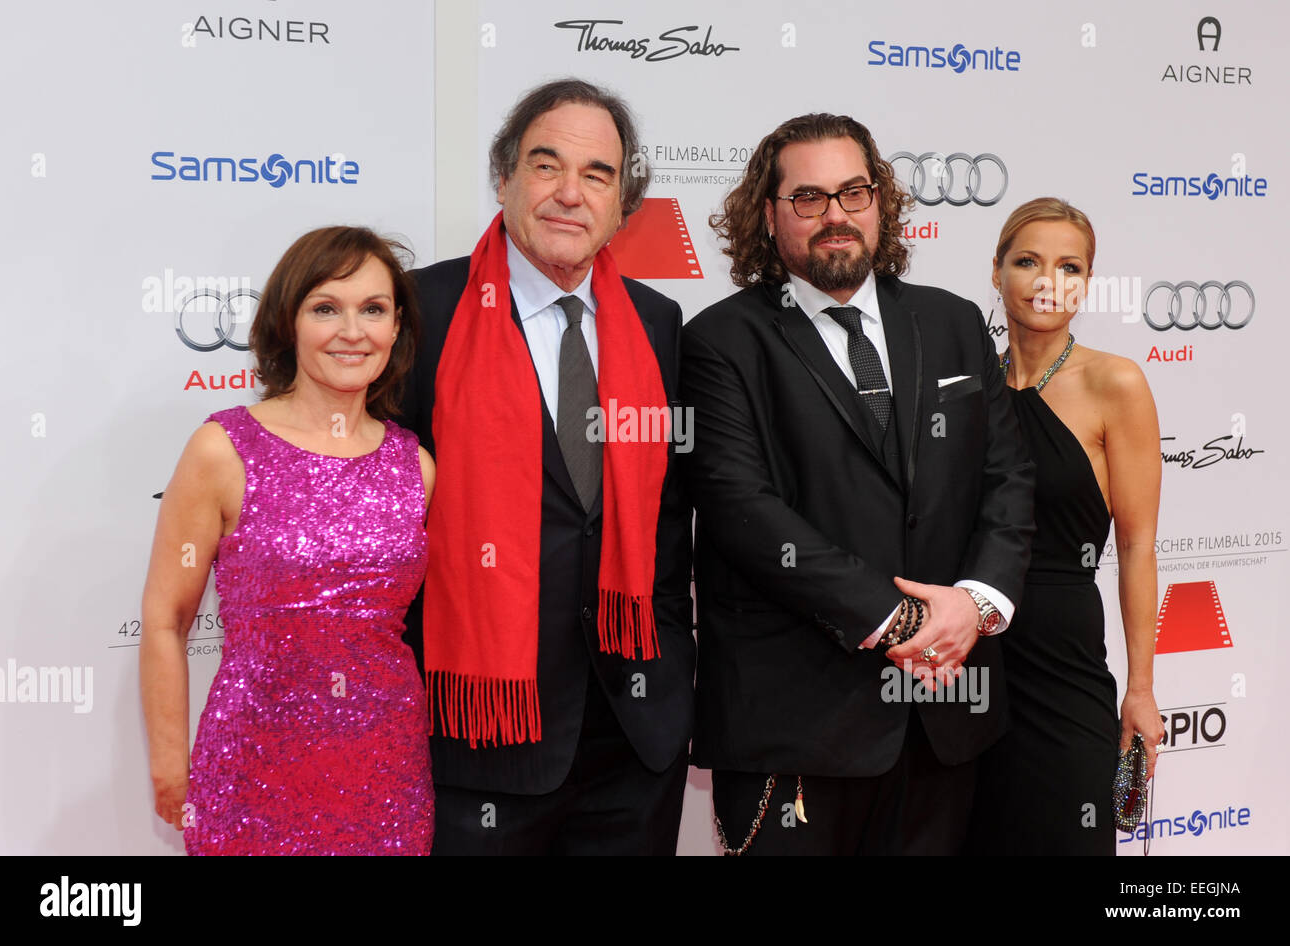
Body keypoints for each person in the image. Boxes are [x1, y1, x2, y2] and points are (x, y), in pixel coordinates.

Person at [680, 113, 1036, 855]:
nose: (836, 215)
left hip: (944, 714)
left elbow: (1007, 478)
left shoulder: (954, 322)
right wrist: (907, 624)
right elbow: (742, 508)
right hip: (796, 726)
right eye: (808, 198)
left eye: (853, 192)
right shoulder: (721, 341)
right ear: (768, 215)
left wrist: (974, 606)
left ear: (881, 203)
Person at [398, 78, 694, 855]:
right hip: (479, 733)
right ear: (502, 177)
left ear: (623, 202)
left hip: (634, 737)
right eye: (545, 165)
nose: (570, 193)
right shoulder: (419, 313)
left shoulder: (659, 324)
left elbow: (670, 518)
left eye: (597, 174)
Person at [140, 227, 435, 855]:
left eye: (373, 310)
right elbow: (166, 619)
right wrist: (171, 761)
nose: (352, 331)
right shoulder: (223, 449)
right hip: (252, 766)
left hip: (386, 769)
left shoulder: (415, 465)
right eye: (326, 307)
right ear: (288, 321)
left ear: (397, 328)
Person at [966, 198, 1165, 855]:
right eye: (1028, 261)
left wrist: (1141, 689)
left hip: (1063, 665)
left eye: (1069, 266)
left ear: (1086, 282)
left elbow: (1136, 547)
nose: (1049, 280)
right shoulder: (964, 386)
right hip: (967, 662)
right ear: (996, 272)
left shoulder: (1116, 384)